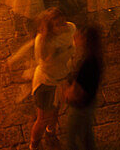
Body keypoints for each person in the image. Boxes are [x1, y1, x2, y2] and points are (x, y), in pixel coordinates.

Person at [29, 9, 76, 150]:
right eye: (58, 24)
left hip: (62, 78)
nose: (64, 26)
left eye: (64, 22)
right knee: (42, 119)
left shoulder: (71, 28)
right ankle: (34, 145)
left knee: (56, 109)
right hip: (47, 83)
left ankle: (52, 131)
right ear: (50, 28)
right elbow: (46, 63)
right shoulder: (43, 42)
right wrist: (62, 53)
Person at [64, 25, 102, 150]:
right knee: (86, 133)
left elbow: (76, 91)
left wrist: (66, 91)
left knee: (71, 138)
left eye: (78, 35)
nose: (74, 36)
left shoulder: (86, 63)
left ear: (85, 39)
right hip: (89, 102)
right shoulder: (95, 56)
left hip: (80, 106)